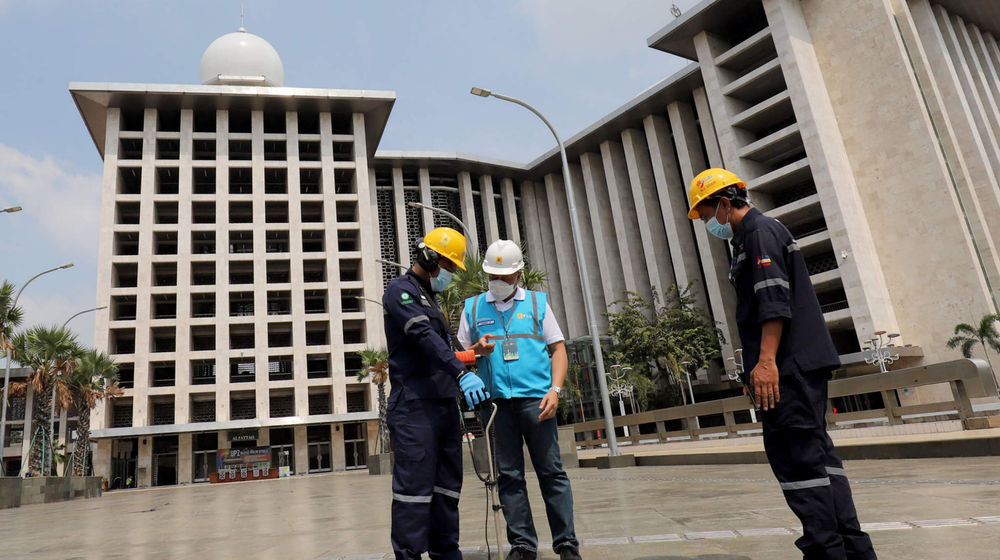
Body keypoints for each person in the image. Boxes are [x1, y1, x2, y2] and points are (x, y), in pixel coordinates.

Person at [687, 168, 877, 560]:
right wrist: (755, 366)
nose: (708, 223)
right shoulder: (758, 235)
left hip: (788, 368)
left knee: (797, 461)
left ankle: (825, 550)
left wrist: (766, 363)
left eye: (706, 214)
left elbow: (773, 301)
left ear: (725, 203)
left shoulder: (757, 233)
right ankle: (852, 549)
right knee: (819, 458)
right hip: (796, 364)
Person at [458, 239, 581, 560]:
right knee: (509, 476)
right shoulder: (472, 308)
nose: (498, 282)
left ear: (518, 275)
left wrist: (555, 390)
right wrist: (475, 352)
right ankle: (523, 545)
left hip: (538, 403)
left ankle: (566, 543)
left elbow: (558, 349)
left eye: (505, 277)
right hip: (496, 406)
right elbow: (458, 357)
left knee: (552, 473)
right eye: (493, 276)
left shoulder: (538, 304)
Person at [383, 227, 491, 560]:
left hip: (443, 406)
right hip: (414, 409)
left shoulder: (432, 298)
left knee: (447, 490)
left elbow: (444, 349)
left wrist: (471, 356)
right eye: (449, 266)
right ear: (430, 258)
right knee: (414, 494)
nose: (452, 274)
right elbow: (424, 340)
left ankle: (447, 553)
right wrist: (462, 373)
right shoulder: (400, 292)